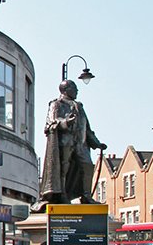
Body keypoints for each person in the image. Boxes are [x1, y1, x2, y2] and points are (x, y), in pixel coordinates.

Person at [35, 79, 106, 209]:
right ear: (66, 90)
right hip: (64, 143)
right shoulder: (56, 104)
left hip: (80, 143)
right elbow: (51, 122)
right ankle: (62, 194)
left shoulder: (79, 106)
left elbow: (87, 127)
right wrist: (65, 122)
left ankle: (86, 195)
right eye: (74, 88)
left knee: (87, 166)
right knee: (63, 169)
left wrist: (97, 143)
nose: (77, 91)